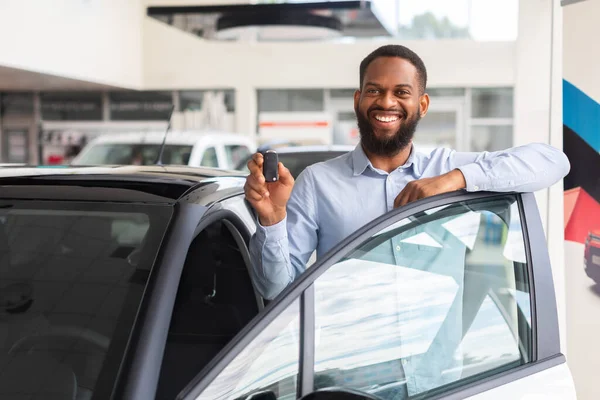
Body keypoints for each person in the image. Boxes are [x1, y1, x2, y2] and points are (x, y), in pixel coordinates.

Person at [244, 44, 570, 301]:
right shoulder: (318, 183)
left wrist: (455, 179)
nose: (386, 102)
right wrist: (273, 220)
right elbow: (275, 290)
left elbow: (553, 161)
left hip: (443, 375)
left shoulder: (447, 168)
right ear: (358, 100)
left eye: (401, 92)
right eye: (374, 91)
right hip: (348, 369)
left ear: (422, 105)